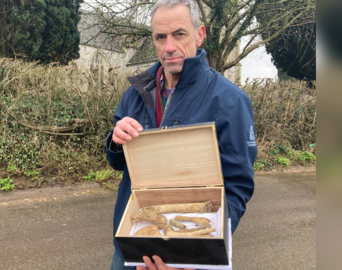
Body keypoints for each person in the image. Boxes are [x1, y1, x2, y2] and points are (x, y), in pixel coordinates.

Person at [104, 0, 257, 269]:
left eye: (179, 34)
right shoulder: (136, 92)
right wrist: (115, 142)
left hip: (191, 255)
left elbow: (238, 187)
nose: (169, 46)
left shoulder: (231, 101)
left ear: (199, 35)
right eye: (160, 37)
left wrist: (196, 252)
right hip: (132, 244)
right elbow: (118, 162)